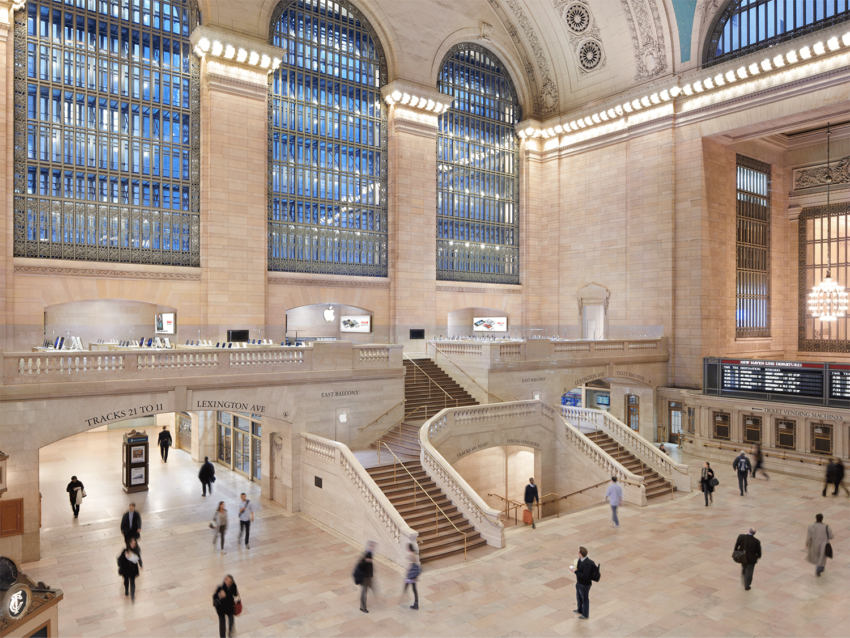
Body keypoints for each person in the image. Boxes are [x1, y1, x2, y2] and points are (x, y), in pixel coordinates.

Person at [569, 546, 594, 620]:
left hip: (585, 584)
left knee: (585, 599)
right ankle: (579, 610)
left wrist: (575, 571)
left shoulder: (587, 563)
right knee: (579, 597)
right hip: (579, 582)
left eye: (578, 551)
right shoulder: (580, 560)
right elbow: (578, 568)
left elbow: (585, 575)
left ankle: (585, 614)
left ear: (580, 554)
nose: (577, 552)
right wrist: (573, 568)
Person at [356, 541, 377, 613]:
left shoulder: (370, 554)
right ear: (369, 547)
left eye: (373, 546)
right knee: (364, 593)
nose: (373, 548)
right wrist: (366, 560)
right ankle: (362, 607)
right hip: (365, 578)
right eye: (372, 546)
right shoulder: (366, 555)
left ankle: (378, 600)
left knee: (373, 588)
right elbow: (361, 565)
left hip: (369, 577)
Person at [402, 543, 420, 610]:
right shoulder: (414, 554)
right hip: (414, 574)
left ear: (409, 548)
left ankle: (405, 595)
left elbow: (411, 565)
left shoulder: (411, 555)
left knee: (411, 587)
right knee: (414, 589)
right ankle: (416, 603)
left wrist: (407, 572)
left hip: (411, 574)